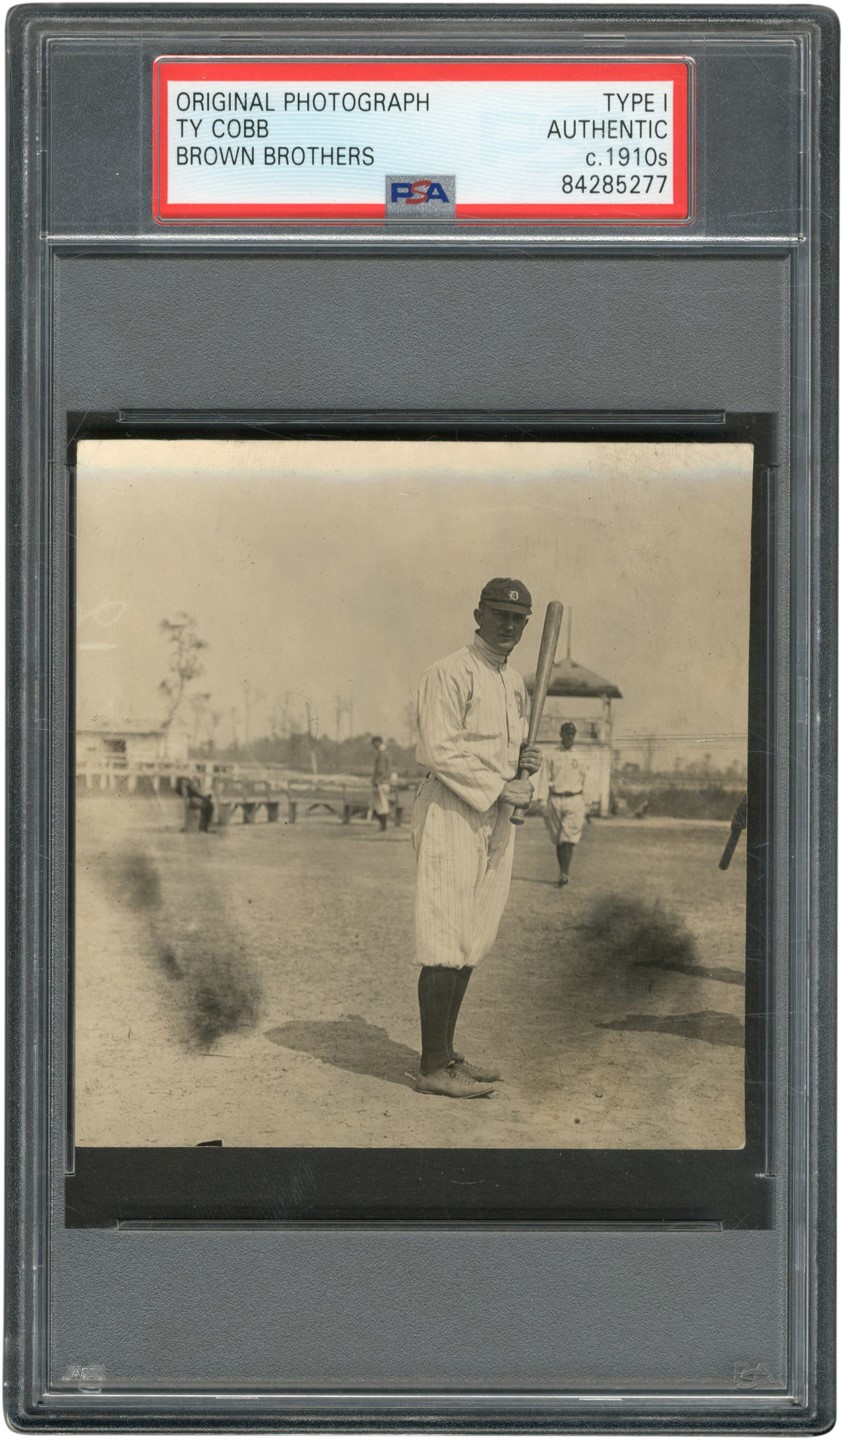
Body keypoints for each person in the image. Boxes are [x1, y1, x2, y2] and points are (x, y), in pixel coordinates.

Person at [411, 578, 543, 1098]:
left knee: (473, 934)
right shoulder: (448, 673)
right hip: (452, 810)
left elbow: (513, 759)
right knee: (444, 935)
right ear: (478, 614)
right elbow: (437, 750)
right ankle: (430, 1067)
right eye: (500, 615)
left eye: (518, 620)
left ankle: (446, 1054)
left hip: (495, 817)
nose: (509, 626)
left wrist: (529, 768)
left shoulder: (515, 685)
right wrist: (501, 785)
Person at [538, 722, 587, 887]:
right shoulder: (552, 755)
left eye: (571, 735)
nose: (569, 737)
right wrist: (542, 801)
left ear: (575, 736)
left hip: (574, 799)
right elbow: (545, 778)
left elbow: (586, 780)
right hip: (555, 798)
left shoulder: (580, 756)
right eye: (566, 734)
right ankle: (562, 870)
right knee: (558, 838)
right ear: (561, 735)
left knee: (568, 837)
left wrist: (587, 802)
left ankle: (564, 873)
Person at [370, 736, 391, 833]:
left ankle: (384, 826)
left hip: (381, 782)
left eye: (374, 743)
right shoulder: (386, 752)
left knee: (380, 805)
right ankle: (383, 826)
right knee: (382, 804)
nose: (373, 746)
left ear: (378, 742)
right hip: (386, 782)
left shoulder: (381, 753)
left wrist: (375, 780)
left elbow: (380, 769)